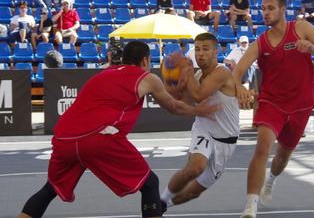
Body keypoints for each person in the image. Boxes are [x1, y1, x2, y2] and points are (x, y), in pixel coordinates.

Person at [17, 41, 219, 218]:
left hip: (64, 138)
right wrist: (199, 109)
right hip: (98, 137)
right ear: (145, 61)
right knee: (150, 184)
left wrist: (178, 90)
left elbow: (171, 98)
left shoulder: (103, 74)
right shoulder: (146, 77)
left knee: (50, 188)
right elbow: (173, 106)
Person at [232, 0, 314, 218]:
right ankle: (250, 207)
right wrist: (240, 87)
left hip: (301, 105)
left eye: (270, 8)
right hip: (272, 103)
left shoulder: (301, 28)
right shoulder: (260, 42)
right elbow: (238, 71)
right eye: (263, 8)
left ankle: (270, 181)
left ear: (282, 10)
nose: (265, 12)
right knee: (262, 147)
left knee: (283, 156)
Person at [161, 32, 240, 212]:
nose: (200, 53)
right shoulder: (196, 76)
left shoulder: (222, 72)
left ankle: (164, 205)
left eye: (205, 49)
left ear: (216, 51)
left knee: (193, 193)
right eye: (197, 49)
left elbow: (199, 94)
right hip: (203, 130)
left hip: (226, 141)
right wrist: (174, 84)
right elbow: (186, 102)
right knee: (194, 168)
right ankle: (158, 201)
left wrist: (186, 74)